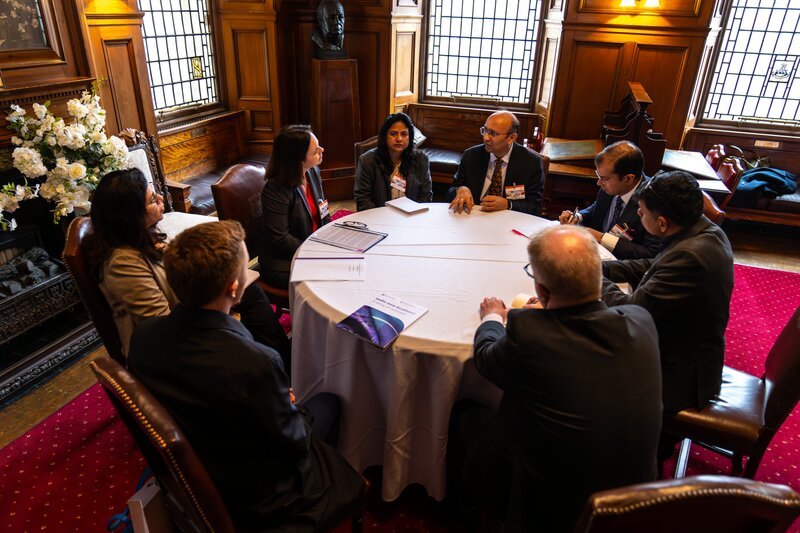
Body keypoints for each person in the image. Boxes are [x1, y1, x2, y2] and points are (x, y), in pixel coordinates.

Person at [127, 221, 366, 532]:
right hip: (263, 498)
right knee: (331, 402)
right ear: (234, 288)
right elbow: (294, 444)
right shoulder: (256, 363)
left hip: (200, 465)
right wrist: (292, 408)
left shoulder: (143, 337)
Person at [448, 225, 662, 531]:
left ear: (542, 291)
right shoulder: (641, 321)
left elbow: (485, 358)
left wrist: (493, 316)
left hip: (554, 507)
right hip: (637, 497)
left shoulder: (531, 334)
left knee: (465, 413)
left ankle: (468, 511)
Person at [90, 168, 290, 364]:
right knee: (247, 308)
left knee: (250, 292)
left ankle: (282, 361)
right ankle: (276, 365)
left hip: (189, 313)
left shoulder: (145, 237)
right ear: (130, 215)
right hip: (168, 348)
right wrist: (214, 306)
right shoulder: (123, 263)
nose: (161, 198)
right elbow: (159, 323)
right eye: (152, 200)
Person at [601, 170, 734, 413]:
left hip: (679, 374)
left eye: (641, 212)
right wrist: (603, 268)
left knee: (579, 364)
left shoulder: (690, 256)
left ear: (662, 223)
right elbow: (655, 265)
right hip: (683, 347)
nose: (638, 215)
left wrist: (585, 277)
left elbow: (632, 312)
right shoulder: (702, 231)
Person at [558, 140, 662, 259]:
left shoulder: (653, 201)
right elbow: (598, 208)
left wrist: (603, 238)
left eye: (604, 178)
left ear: (628, 179)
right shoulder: (610, 185)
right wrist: (578, 217)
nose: (599, 183)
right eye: (599, 176)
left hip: (619, 266)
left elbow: (650, 254)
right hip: (591, 252)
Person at [261, 125, 331, 290]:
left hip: (312, 248)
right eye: (315, 151)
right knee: (332, 279)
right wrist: (313, 251)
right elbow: (280, 238)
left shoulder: (312, 171)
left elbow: (323, 209)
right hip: (283, 261)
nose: (322, 149)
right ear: (298, 159)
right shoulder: (275, 188)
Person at [447, 111, 544, 215]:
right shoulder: (471, 155)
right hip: (474, 216)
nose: (486, 138)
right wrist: (460, 190)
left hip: (509, 221)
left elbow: (534, 207)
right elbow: (449, 193)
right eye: (485, 130)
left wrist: (508, 204)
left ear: (512, 138)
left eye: (493, 133)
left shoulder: (531, 162)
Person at [354, 112, 432, 211]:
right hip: (378, 218)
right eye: (393, 134)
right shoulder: (367, 161)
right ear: (385, 136)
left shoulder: (421, 160)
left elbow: (426, 196)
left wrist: (414, 216)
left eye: (404, 134)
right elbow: (363, 199)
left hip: (411, 218)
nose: (399, 139)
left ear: (410, 137)